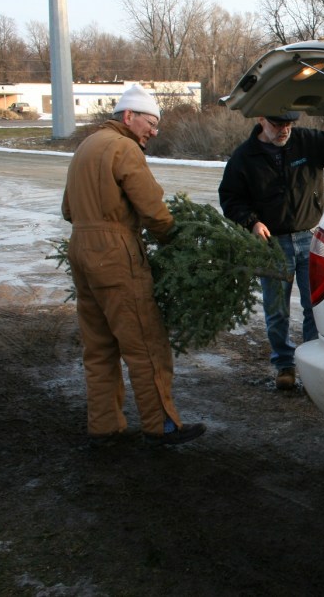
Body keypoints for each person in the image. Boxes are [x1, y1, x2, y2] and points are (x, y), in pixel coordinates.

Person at [61, 84, 206, 446]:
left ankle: (105, 426)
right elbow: (152, 207)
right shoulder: (124, 148)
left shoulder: (85, 147)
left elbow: (67, 210)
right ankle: (162, 425)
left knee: (98, 347)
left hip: (81, 250)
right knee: (145, 342)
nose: (154, 132)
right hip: (115, 255)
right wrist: (176, 239)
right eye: (150, 123)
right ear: (128, 117)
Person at [219, 111, 324, 390]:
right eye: (277, 124)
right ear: (261, 120)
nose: (284, 130)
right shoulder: (244, 157)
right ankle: (284, 365)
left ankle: (312, 369)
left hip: (310, 239)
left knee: (315, 308)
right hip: (271, 244)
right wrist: (252, 222)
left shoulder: (307, 141)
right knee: (276, 310)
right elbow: (231, 197)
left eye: (288, 124)